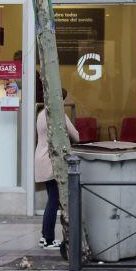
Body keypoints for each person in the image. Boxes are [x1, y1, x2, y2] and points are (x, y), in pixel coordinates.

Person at [35, 89, 81, 249]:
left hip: (41, 158)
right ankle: (48, 239)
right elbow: (76, 135)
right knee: (54, 201)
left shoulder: (41, 113)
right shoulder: (56, 114)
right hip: (51, 161)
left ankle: (44, 236)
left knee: (52, 199)